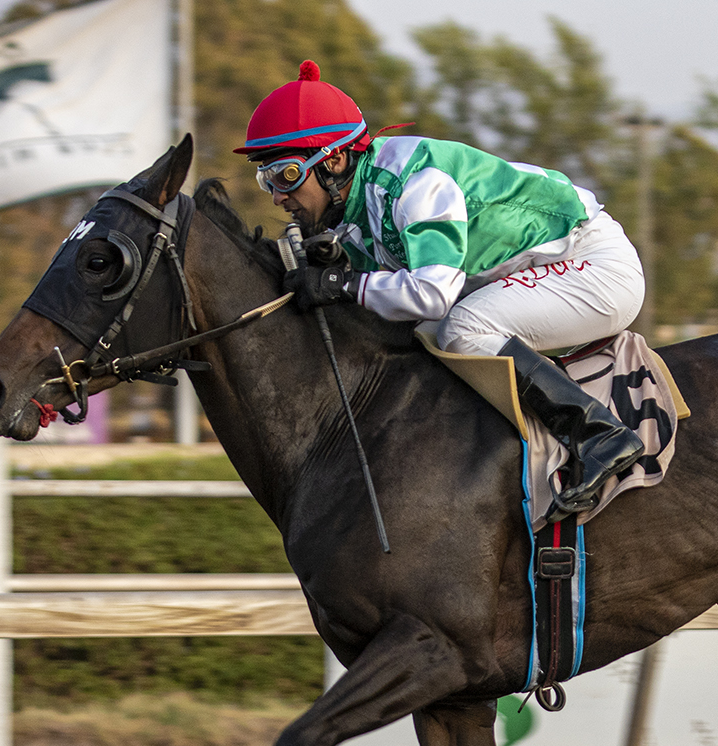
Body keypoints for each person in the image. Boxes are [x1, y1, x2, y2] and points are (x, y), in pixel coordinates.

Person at [235, 60, 646, 519]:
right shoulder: (356, 204)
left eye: (287, 175)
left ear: (333, 160)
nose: (278, 195)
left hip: (595, 267)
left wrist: (343, 282)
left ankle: (598, 434)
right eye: (267, 179)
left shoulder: (415, 185)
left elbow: (432, 295)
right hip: (546, 268)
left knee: (460, 329)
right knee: (426, 332)